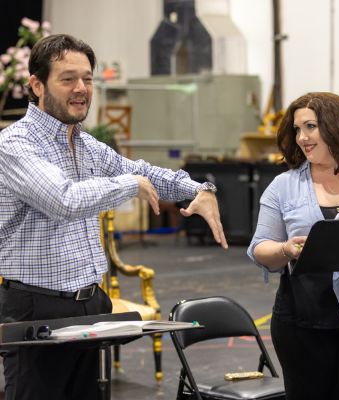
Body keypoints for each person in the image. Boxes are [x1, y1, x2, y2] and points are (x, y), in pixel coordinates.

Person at [0, 34, 227, 400]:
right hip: (35, 309)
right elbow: (64, 200)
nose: (81, 89)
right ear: (37, 85)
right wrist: (129, 184)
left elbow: (142, 171)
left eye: (88, 79)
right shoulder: (15, 145)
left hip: (90, 304)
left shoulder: (85, 144)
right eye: (68, 79)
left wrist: (198, 190)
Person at [247, 92, 339, 399]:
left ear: (336, 126)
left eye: (310, 127)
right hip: (302, 322)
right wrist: (287, 250)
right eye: (297, 130)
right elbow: (260, 249)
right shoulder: (284, 186)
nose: (302, 137)